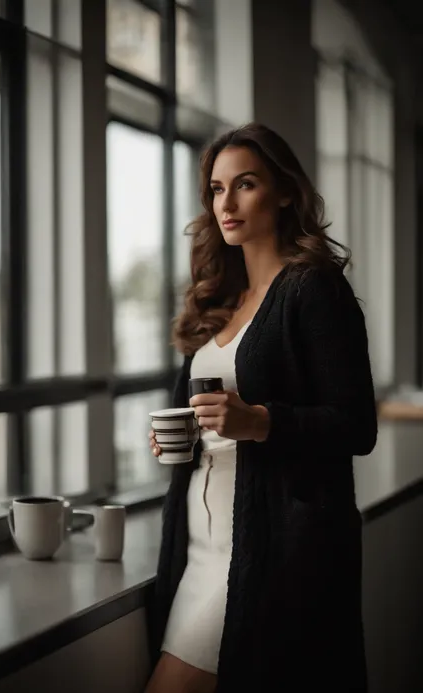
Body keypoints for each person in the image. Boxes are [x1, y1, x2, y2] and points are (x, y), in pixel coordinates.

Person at [145, 123, 377, 693]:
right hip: (198, 548)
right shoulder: (221, 298)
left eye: (245, 184)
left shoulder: (312, 289)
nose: (227, 203)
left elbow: (356, 424)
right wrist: (181, 441)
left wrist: (262, 421)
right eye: (217, 189)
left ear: (284, 191)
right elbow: (211, 423)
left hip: (269, 550)